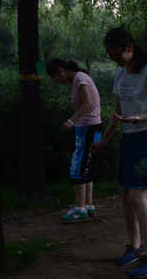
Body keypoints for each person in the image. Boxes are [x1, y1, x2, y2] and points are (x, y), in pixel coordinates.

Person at [89, 28, 147, 278]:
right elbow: (117, 112)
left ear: (130, 48)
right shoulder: (120, 74)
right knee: (125, 194)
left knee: (136, 197)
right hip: (129, 138)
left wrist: (138, 118)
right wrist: (103, 140)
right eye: (110, 55)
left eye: (117, 54)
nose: (114, 59)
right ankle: (135, 247)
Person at [46, 59, 102, 223]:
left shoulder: (79, 78)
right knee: (86, 165)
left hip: (87, 127)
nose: (56, 81)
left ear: (60, 70)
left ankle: (79, 210)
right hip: (93, 127)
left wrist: (71, 121)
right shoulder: (79, 77)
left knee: (77, 166)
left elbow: (88, 103)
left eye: (54, 77)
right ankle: (88, 206)